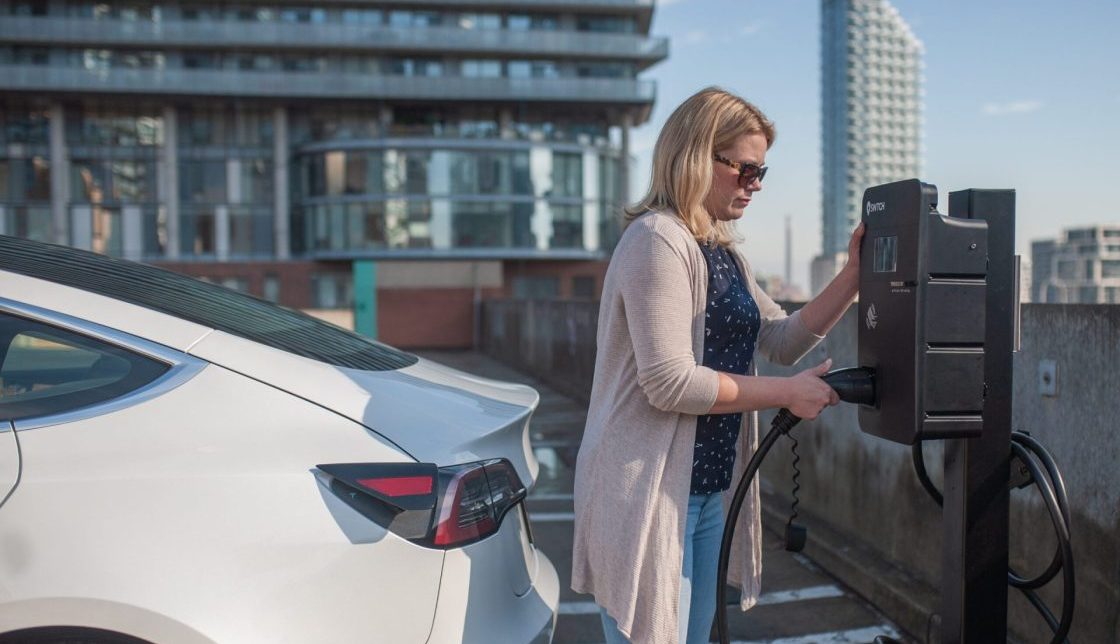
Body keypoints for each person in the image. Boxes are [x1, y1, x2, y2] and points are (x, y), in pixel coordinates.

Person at [571, 87, 864, 644]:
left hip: (707, 489)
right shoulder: (657, 239)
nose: (756, 184)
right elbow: (669, 381)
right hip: (649, 492)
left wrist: (854, 275)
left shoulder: (724, 254)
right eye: (745, 169)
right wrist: (786, 394)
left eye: (761, 171)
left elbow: (781, 339)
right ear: (696, 157)